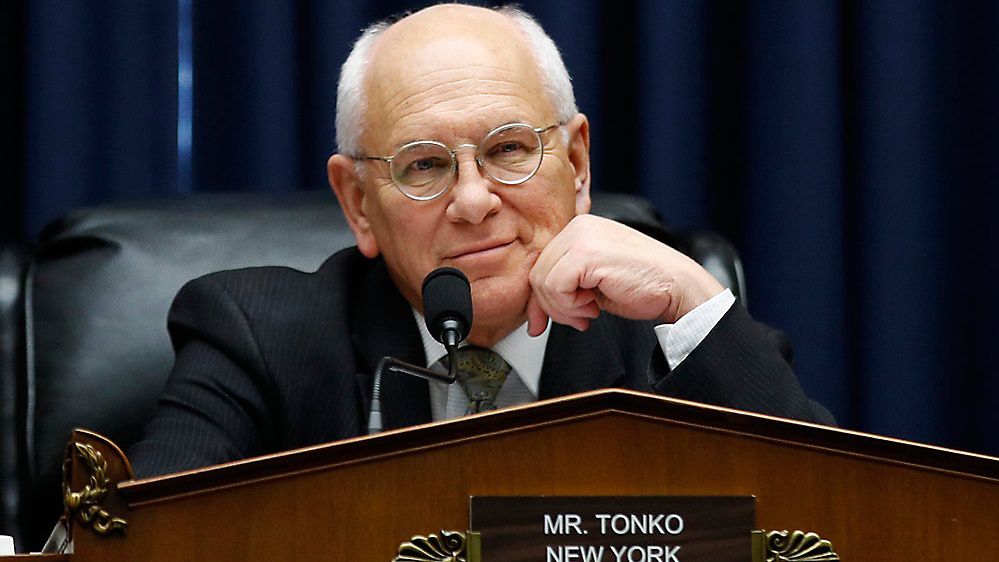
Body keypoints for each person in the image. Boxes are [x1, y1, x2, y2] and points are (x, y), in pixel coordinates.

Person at [129, 4, 830, 478]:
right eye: (425, 165)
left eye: (507, 150)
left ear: (577, 164)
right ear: (358, 204)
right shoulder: (260, 337)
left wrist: (698, 305)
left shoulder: (662, 335)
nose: (471, 201)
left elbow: (837, 519)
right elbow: (142, 540)